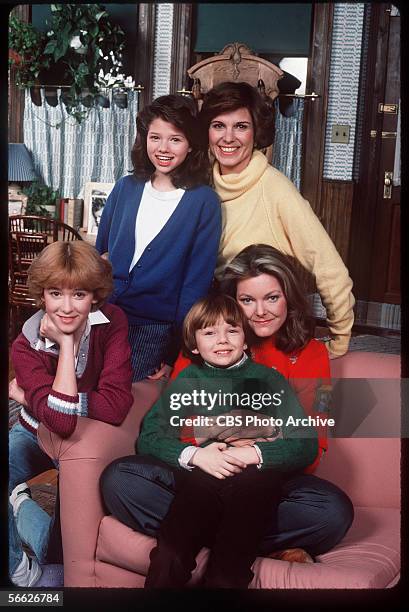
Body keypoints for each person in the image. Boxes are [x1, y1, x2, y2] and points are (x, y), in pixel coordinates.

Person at [101, 245, 353, 563]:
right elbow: (173, 429)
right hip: (201, 472)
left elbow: (311, 448)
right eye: (247, 300)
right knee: (120, 479)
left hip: (267, 481)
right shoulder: (204, 344)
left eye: (272, 298)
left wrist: (238, 441)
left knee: (332, 511)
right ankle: (244, 544)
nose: (260, 311)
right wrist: (255, 429)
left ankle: (199, 538)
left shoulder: (313, 354)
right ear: (232, 301)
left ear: (289, 298)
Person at [138, 294, 318, 588]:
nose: (222, 340)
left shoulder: (269, 380)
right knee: (169, 555)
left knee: (227, 571)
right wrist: (197, 456)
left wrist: (256, 454)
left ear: (245, 340)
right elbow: (150, 437)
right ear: (194, 344)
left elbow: (306, 442)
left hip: (254, 482)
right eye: (209, 332)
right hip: (202, 476)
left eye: (232, 330)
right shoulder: (188, 380)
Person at [8, 240, 133, 587]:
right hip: (33, 432)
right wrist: (47, 400)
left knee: (58, 560)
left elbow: (117, 404)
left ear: (94, 295)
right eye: (54, 293)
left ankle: (20, 507)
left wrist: (41, 395)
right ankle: (20, 569)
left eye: (79, 294)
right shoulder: (25, 343)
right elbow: (57, 419)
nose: (66, 308)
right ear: (41, 296)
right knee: (44, 579)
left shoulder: (112, 323)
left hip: (81, 439)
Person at [199, 80, 355, 358]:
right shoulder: (199, 186)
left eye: (241, 126)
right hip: (217, 327)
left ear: (256, 133)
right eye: (219, 125)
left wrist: (340, 339)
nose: (228, 137)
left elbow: (329, 266)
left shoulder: (275, 188)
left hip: (265, 333)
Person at [96, 94, 221, 382]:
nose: (163, 148)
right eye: (155, 137)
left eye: (175, 139)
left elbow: (195, 286)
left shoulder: (204, 202)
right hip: (102, 316)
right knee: (81, 389)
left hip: (152, 329)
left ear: (191, 145)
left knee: (118, 397)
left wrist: (175, 351)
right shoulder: (125, 188)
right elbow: (98, 258)